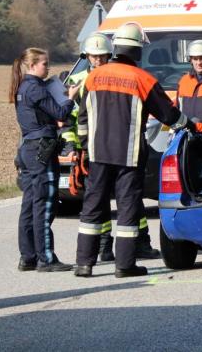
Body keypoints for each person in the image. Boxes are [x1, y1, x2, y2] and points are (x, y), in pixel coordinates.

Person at [74, 22, 195, 278]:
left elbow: (82, 118)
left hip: (97, 153)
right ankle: (125, 265)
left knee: (93, 206)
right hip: (128, 154)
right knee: (128, 206)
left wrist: (84, 148)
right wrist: (190, 125)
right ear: (137, 51)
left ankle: (84, 264)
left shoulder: (93, 77)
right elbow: (168, 114)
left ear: (116, 48)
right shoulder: (143, 79)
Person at [61, 32, 161, 262]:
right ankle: (107, 249)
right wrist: (78, 147)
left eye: (101, 56)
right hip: (100, 149)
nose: (97, 61)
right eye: (93, 57)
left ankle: (137, 243)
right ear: (86, 57)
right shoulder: (80, 80)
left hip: (101, 149)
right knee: (103, 201)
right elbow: (75, 118)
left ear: (110, 55)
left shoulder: (102, 78)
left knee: (124, 200)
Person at [10, 47, 80, 272]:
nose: (47, 67)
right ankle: (46, 258)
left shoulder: (22, 87)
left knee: (29, 204)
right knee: (45, 203)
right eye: (44, 64)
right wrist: (70, 98)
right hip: (42, 149)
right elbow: (60, 114)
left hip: (28, 149)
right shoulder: (36, 89)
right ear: (32, 66)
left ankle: (27, 256)